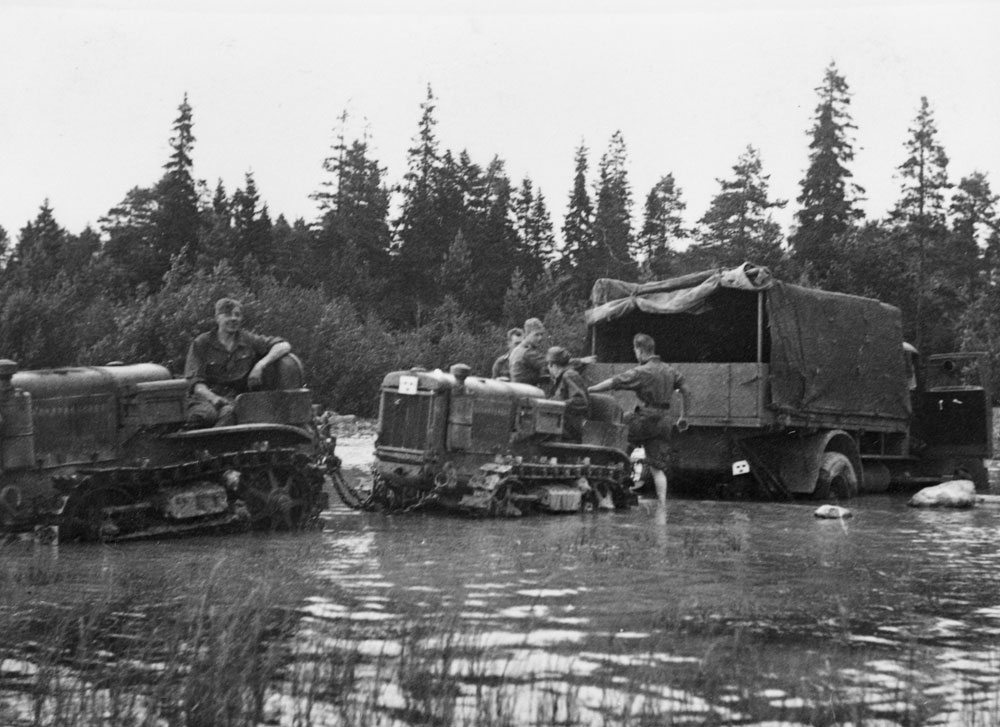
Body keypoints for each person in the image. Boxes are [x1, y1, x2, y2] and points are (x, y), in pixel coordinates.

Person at [588, 333, 690, 503]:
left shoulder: (642, 371)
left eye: (635, 350)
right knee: (657, 468)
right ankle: (662, 506)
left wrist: (590, 390)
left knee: (621, 427)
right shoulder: (670, 370)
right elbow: (687, 390)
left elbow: (615, 382)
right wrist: (684, 416)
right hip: (665, 421)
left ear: (640, 350)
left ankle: (616, 475)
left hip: (646, 419)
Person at [184, 297, 292, 428]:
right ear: (217, 318)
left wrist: (260, 365)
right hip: (203, 398)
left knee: (228, 413)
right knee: (205, 415)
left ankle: (215, 447)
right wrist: (213, 398)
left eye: (237, 315)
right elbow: (196, 383)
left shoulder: (247, 340)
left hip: (234, 399)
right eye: (228, 315)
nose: (233, 319)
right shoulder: (202, 343)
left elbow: (283, 345)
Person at [545, 346, 590, 442]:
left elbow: (581, 402)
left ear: (552, 364)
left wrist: (556, 405)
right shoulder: (559, 379)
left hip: (573, 425)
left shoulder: (569, 375)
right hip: (564, 424)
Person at [509, 318, 549, 386]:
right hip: (527, 392)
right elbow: (550, 365)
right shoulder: (528, 352)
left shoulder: (517, 350)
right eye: (536, 335)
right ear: (527, 334)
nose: (540, 338)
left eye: (541, 334)